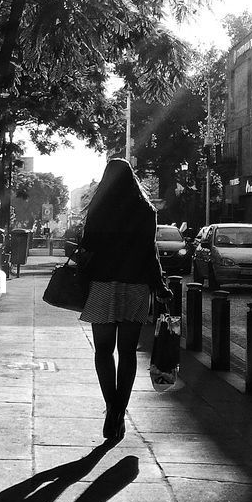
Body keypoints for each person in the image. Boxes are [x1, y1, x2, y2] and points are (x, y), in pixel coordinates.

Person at [79, 159, 169, 441]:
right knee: (128, 352)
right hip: (136, 286)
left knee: (103, 351)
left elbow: (88, 247)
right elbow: (149, 252)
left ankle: (111, 408)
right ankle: (120, 410)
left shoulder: (98, 208)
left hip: (103, 285)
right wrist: (160, 285)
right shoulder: (145, 209)